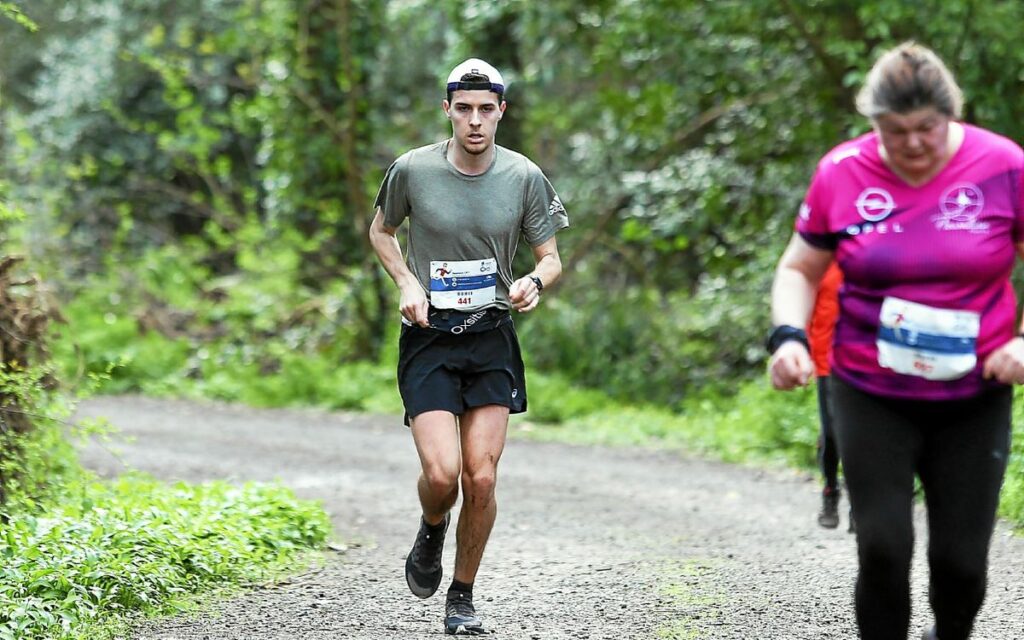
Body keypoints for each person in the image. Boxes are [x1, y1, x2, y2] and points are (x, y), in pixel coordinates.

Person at [767, 42, 1024, 640]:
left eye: (926, 129)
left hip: (974, 394)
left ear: (952, 115)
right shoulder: (842, 172)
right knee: (883, 547)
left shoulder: (1005, 166)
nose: (911, 144)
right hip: (869, 389)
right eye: (894, 130)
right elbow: (799, 269)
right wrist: (788, 337)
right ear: (873, 123)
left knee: (961, 564)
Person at [368, 58, 568, 635]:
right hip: (429, 339)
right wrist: (408, 282)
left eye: (486, 110)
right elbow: (380, 230)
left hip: (491, 338)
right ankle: (432, 527)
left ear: (501, 111)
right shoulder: (412, 170)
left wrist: (533, 281)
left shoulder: (524, 177)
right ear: (447, 111)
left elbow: (549, 257)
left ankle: (462, 596)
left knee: (481, 477)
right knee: (444, 474)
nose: (475, 122)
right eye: (464, 110)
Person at [807, 262, 847, 530]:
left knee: (865, 436)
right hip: (826, 361)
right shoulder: (819, 263)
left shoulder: (874, 257)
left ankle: (861, 502)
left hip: (870, 361)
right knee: (833, 433)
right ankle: (831, 489)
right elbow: (805, 310)